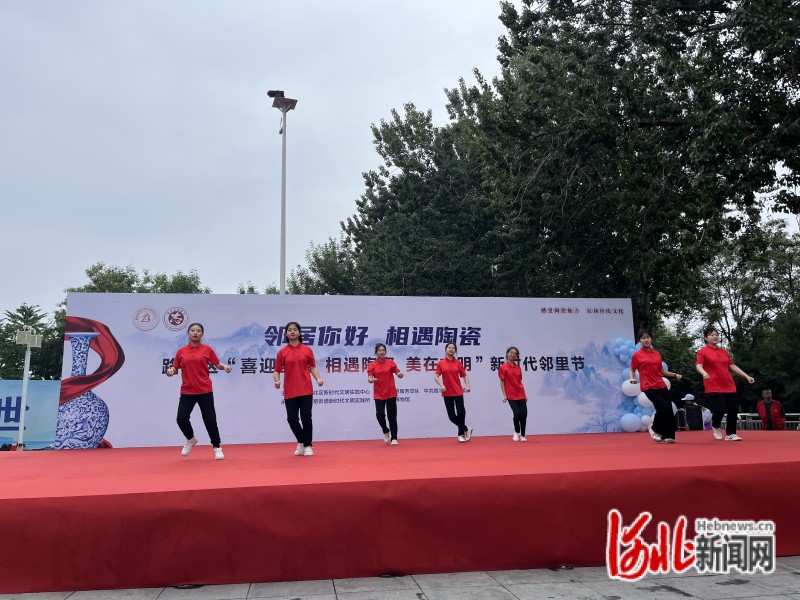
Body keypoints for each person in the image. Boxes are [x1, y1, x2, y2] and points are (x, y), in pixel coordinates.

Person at [165, 322, 232, 460]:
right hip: (187, 391)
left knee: (210, 420)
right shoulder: (181, 351)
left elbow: (217, 364)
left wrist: (224, 367)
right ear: (188, 333)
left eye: (198, 331)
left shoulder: (207, 349)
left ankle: (217, 447)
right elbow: (175, 368)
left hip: (204, 390)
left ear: (202, 334)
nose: (195, 333)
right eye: (192, 330)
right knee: (181, 418)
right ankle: (190, 439)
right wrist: (171, 371)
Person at [695, 326, 755, 441]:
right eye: (712, 335)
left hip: (728, 385)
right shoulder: (703, 352)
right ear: (706, 338)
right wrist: (704, 373)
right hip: (713, 385)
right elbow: (698, 365)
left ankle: (730, 434)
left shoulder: (723, 352)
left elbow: (732, 366)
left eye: (717, 335)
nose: (715, 337)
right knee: (720, 409)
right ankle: (716, 425)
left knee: (733, 409)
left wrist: (746, 376)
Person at [274, 321, 324, 456]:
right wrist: (277, 380)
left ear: (299, 333)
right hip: (290, 390)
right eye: (289, 330)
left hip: (306, 389)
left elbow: (312, 367)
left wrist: (318, 379)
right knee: (292, 419)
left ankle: (308, 445)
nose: (292, 332)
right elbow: (277, 370)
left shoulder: (307, 350)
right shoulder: (282, 352)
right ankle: (301, 441)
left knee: (306, 417)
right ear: (286, 334)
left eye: (295, 329)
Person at [630, 330, 683, 444]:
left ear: (651, 339)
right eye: (643, 338)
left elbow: (662, 371)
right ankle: (654, 429)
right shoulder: (637, 355)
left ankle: (668, 436)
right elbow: (632, 370)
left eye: (648, 337)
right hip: (648, 387)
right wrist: (632, 378)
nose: (646, 340)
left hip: (661, 385)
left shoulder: (657, 354)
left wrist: (675, 375)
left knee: (669, 410)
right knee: (663, 408)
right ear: (639, 341)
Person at [434, 342, 473, 443]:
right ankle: (466, 428)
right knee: (451, 416)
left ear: (455, 351)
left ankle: (460, 434)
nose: (451, 349)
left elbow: (464, 375)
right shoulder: (441, 363)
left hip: (458, 391)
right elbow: (436, 376)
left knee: (461, 413)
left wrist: (467, 385)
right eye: (449, 348)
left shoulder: (458, 363)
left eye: (453, 348)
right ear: (446, 350)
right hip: (447, 393)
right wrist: (442, 385)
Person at [367, 343, 404, 445]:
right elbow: (369, 377)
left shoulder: (390, 362)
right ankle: (385, 430)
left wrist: (399, 374)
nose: (382, 352)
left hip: (391, 393)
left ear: (385, 352)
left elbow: (397, 371)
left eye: (383, 350)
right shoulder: (372, 365)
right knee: (380, 415)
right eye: (380, 350)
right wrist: (371, 380)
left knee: (392, 416)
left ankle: (394, 438)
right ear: (376, 352)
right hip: (379, 394)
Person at [498, 346, 529, 442]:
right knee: (517, 413)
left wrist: (525, 395)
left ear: (517, 356)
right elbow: (502, 382)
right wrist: (504, 395)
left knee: (524, 414)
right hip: (510, 395)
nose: (512, 355)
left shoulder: (518, 368)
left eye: (515, 354)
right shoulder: (503, 368)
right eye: (511, 352)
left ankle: (523, 435)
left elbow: (519, 382)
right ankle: (516, 431)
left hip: (520, 394)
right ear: (507, 354)